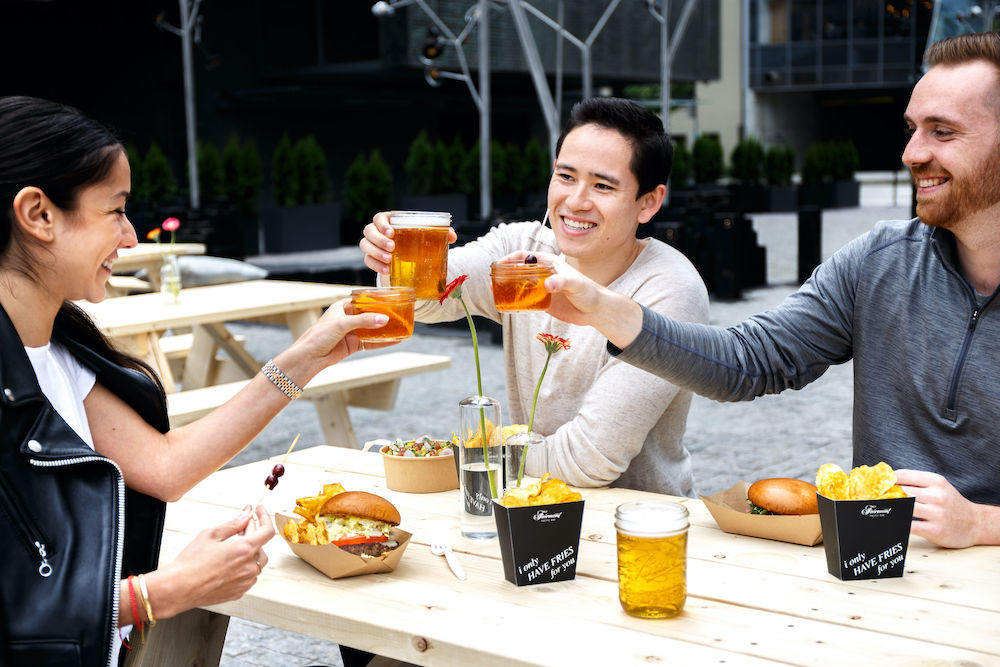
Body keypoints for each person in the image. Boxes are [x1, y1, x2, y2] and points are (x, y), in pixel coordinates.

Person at [535, 32, 1000, 549]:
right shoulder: (880, 262)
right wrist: (605, 310)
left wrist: (984, 524)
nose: (912, 153)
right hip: (872, 571)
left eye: (943, 132)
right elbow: (748, 361)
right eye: (913, 129)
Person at [0, 96, 392, 665]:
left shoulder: (59, 351)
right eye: (115, 210)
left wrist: (307, 357)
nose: (132, 237)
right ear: (38, 214)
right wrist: (170, 588)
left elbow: (164, 467)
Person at [361, 97, 709, 496]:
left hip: (638, 526)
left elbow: (588, 460)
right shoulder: (522, 251)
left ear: (648, 202)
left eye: (602, 185)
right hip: (529, 509)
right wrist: (392, 256)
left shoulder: (668, 288)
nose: (576, 201)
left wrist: (480, 455)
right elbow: (426, 301)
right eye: (565, 177)